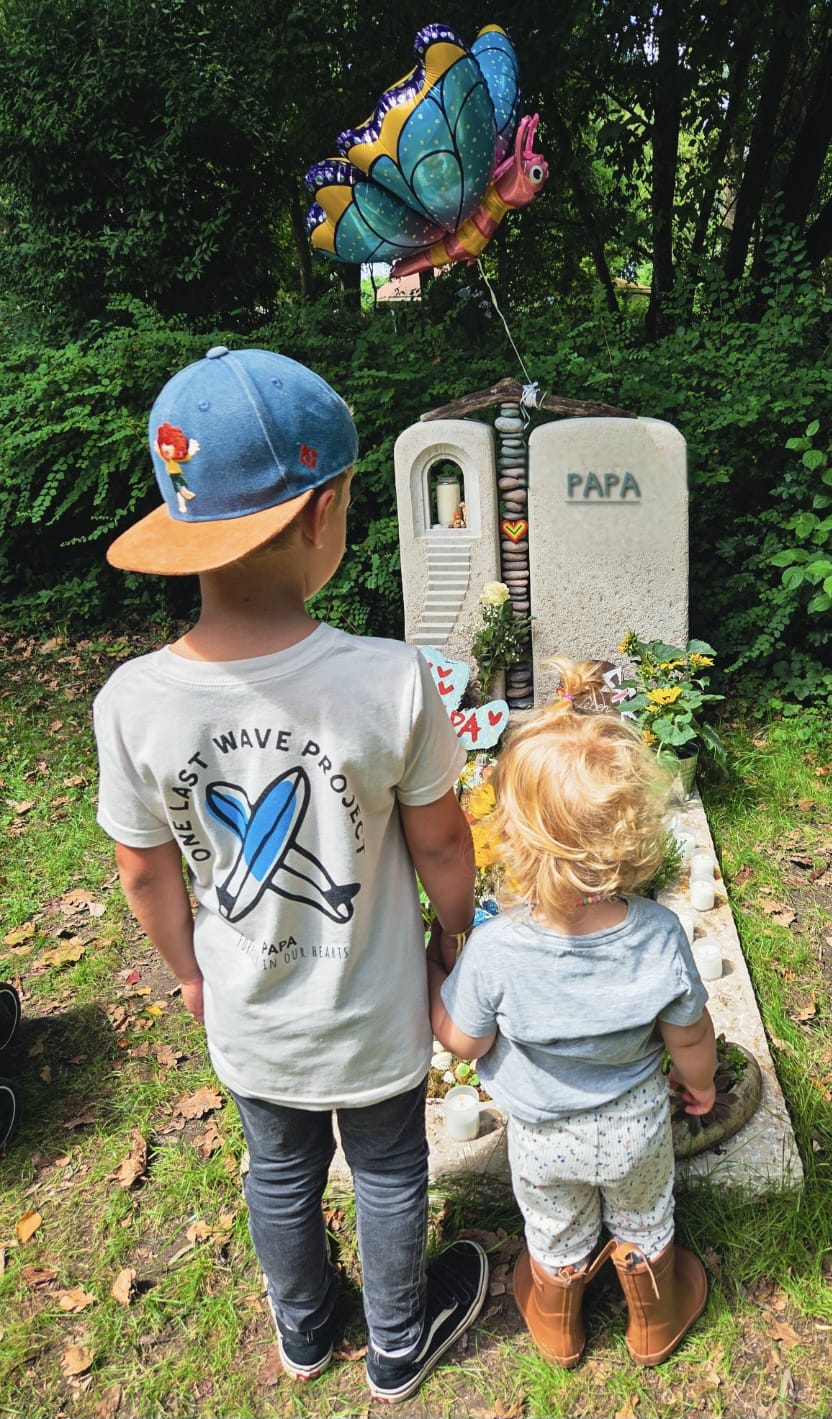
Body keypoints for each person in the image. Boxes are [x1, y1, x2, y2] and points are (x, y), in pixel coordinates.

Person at [93, 346, 487, 1401]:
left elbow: (143, 872)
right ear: (322, 513)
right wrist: (455, 936)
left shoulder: (132, 702)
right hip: (374, 1010)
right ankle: (398, 1341)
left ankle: (307, 1334)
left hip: (249, 1013)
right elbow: (443, 845)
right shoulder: (389, 679)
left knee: (278, 1170)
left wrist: (189, 973)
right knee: (389, 1168)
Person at [428, 658, 717, 1370]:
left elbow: (463, 1039)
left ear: (515, 839)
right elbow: (690, 1034)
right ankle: (654, 1317)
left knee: (554, 1228)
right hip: (636, 1128)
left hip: (542, 1137)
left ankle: (559, 1322)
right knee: (646, 1217)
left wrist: (437, 978)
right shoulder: (658, 935)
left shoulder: (495, 949)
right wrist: (701, 1085)